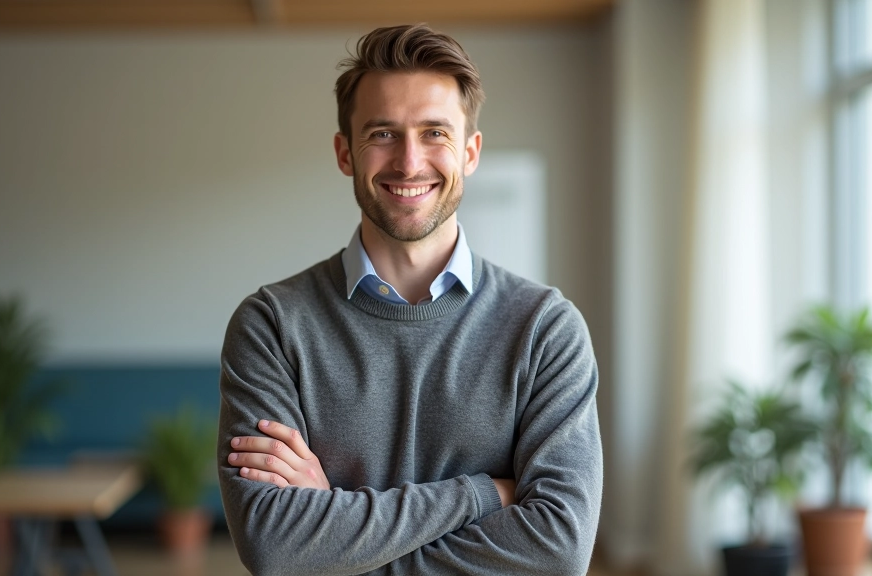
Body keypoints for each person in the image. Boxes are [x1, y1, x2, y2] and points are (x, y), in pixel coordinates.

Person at [217, 23, 602, 575]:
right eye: (382, 133)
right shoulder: (271, 326)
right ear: (345, 153)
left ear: (470, 152)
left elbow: (559, 551)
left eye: (434, 133)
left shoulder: (545, 329)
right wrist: (485, 494)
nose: (409, 162)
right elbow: (275, 549)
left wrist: (334, 535)